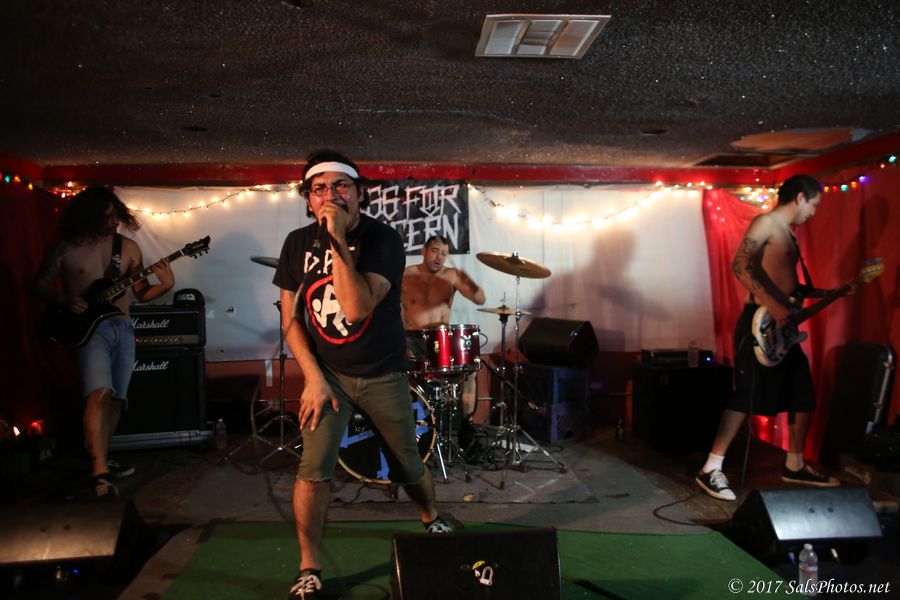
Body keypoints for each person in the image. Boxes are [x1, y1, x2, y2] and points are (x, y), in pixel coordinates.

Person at [273, 150, 454, 599]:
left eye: (341, 186)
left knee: (407, 463)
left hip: (381, 372)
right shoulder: (296, 244)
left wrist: (336, 238)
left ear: (359, 194)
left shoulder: (383, 239)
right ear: (308, 199)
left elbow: (355, 308)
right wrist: (313, 377)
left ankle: (431, 516)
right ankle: (309, 567)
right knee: (313, 469)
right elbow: (290, 321)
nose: (330, 195)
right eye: (319, 188)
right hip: (328, 375)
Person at [695, 174, 840, 501]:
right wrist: (773, 303)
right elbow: (739, 264)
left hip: (783, 327)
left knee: (802, 392)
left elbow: (789, 284)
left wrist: (834, 292)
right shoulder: (766, 223)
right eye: (814, 205)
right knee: (746, 394)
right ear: (800, 197)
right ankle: (710, 467)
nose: (813, 212)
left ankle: (795, 464)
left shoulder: (789, 234)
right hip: (759, 323)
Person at [33, 186, 174, 498]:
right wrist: (63, 299)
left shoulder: (129, 248)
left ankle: (101, 458)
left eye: (115, 216)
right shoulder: (64, 248)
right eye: (105, 217)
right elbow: (39, 285)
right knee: (98, 394)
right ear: (87, 217)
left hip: (122, 326)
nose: (113, 222)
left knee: (116, 400)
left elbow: (141, 293)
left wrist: (166, 285)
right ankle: (99, 472)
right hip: (87, 330)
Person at [402, 234, 486, 422]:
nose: (439, 257)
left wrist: (467, 279)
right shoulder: (408, 274)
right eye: (434, 251)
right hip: (412, 337)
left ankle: (466, 424)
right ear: (423, 251)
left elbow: (480, 299)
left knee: (469, 370)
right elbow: (396, 308)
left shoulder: (451, 275)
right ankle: (413, 422)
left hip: (441, 338)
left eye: (444, 253)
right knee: (402, 373)